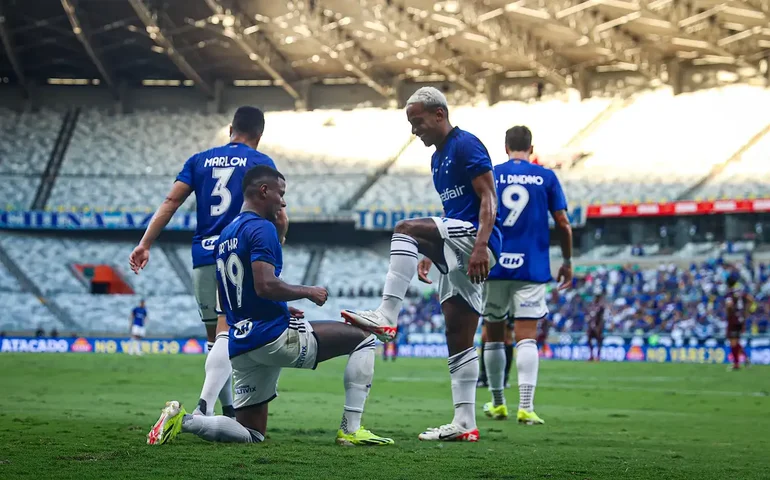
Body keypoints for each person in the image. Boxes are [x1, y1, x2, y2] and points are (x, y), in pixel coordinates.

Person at [147, 166, 393, 447]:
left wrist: (281, 308)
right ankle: (351, 430)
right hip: (272, 337)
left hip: (241, 344)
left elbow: (232, 296)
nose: (283, 201)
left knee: (251, 434)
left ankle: (184, 420)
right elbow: (265, 285)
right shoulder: (262, 228)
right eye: (281, 193)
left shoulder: (226, 234)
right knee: (364, 339)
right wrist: (308, 291)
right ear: (264, 191)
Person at [342, 86, 502, 442]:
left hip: (477, 239)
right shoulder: (436, 158)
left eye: (418, 122)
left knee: (405, 229)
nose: (415, 131)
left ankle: (387, 314)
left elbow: (489, 197)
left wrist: (480, 246)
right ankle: (465, 423)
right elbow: (450, 214)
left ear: (439, 114)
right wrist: (432, 253)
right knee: (457, 334)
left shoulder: (467, 144)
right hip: (459, 241)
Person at [129, 106, 287, 418]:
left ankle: (227, 410)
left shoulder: (199, 160)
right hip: (239, 256)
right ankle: (206, 407)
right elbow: (278, 213)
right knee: (234, 335)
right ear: (260, 134)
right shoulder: (260, 163)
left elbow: (171, 201)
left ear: (231, 128)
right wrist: (278, 241)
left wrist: (145, 244)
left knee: (215, 337)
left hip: (204, 255)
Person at [480, 125, 572, 425]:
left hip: (494, 264)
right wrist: (567, 260)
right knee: (526, 337)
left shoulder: (491, 173)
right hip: (531, 266)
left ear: (506, 146)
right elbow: (563, 222)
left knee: (494, 334)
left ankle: (497, 403)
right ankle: (526, 407)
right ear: (531, 149)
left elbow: (476, 214)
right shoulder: (545, 177)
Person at [725, 275, 754, 371]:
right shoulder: (740, 292)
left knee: (733, 342)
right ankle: (745, 359)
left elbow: (729, 305)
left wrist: (729, 313)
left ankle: (736, 364)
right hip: (741, 319)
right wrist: (746, 312)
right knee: (736, 341)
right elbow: (750, 299)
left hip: (733, 320)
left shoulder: (730, 293)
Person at [587, 293, 606, 362]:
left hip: (598, 326)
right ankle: (591, 355)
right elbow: (589, 315)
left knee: (599, 341)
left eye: (597, 297)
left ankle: (598, 356)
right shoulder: (591, 305)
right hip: (591, 326)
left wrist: (599, 327)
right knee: (589, 340)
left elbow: (601, 318)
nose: (596, 299)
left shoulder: (601, 307)